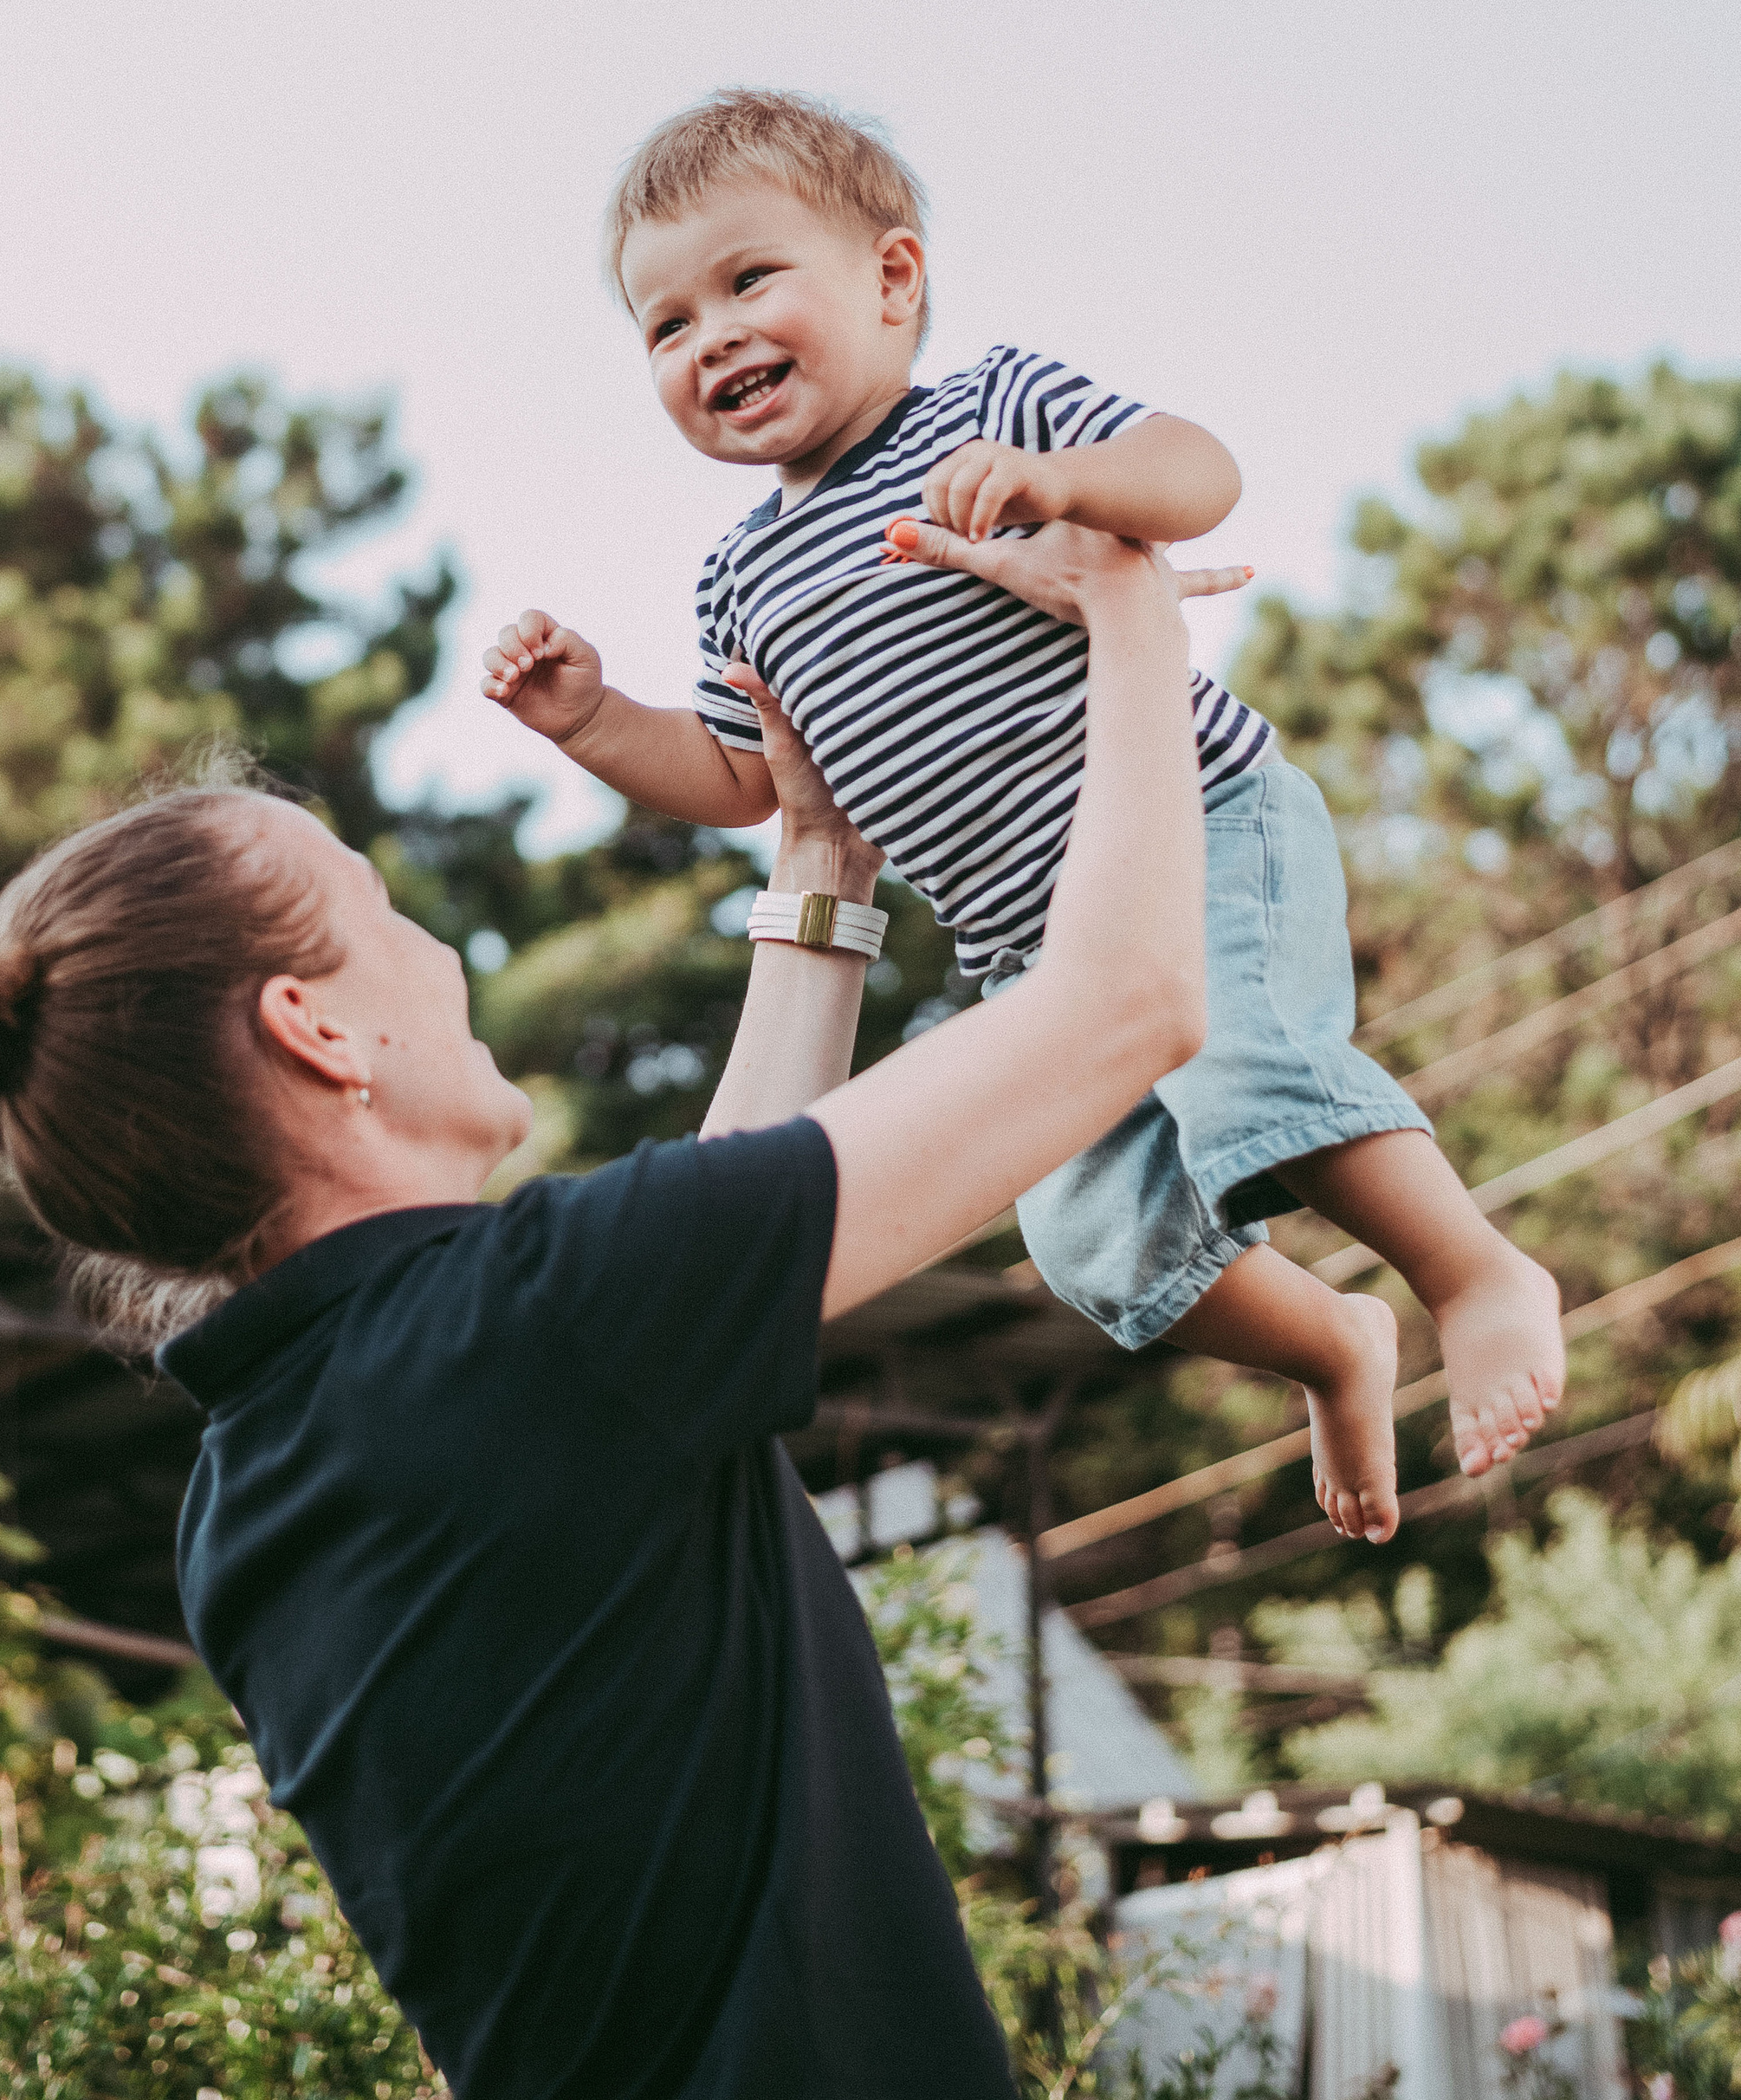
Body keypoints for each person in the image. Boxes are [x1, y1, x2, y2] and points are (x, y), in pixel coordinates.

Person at [0, 520, 1226, 2099]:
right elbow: (1133, 996)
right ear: (316, 1025)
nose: (442, 951)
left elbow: (686, 1278)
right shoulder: (534, 1329)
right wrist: (1131, 605)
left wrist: (821, 862)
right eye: (381, 911)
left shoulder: (274, 1478)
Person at [482, 86, 1566, 1544]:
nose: (713, 338)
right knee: (1082, 1237)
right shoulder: (738, 572)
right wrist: (598, 723)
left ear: (892, 278)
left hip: (1206, 828)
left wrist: (1068, 482)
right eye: (667, 326)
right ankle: (1332, 1343)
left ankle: (1475, 1272)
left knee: (1244, 1057)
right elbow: (748, 778)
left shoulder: (993, 408)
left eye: (749, 280)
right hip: (1032, 961)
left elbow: (1202, 472)